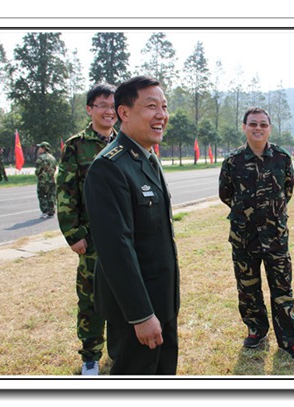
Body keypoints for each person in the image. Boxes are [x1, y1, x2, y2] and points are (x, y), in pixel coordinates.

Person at [84, 76, 179, 375]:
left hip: (162, 301)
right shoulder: (110, 167)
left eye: (163, 106)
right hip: (136, 311)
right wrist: (140, 315)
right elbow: (116, 250)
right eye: (151, 106)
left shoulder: (147, 158)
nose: (161, 114)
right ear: (124, 113)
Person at [219, 107, 294, 361]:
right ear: (244, 127)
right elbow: (226, 194)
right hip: (244, 237)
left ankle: (289, 339)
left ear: (270, 128)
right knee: (248, 288)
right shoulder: (233, 161)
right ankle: (256, 330)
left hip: (275, 237)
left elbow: (287, 191)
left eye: (263, 124)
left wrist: (269, 214)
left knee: (282, 289)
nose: (258, 128)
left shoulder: (281, 157)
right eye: (253, 124)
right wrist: (248, 214)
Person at [56, 83, 118, 375]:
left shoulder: (125, 141)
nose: (108, 111)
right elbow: (65, 192)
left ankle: (119, 349)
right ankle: (90, 356)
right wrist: (73, 234)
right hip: (91, 239)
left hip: (122, 236)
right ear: (90, 109)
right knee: (91, 299)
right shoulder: (76, 145)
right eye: (102, 105)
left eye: (112, 105)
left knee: (123, 293)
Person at [35, 141, 57, 219]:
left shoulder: (40, 158)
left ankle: (45, 211)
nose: (39, 149)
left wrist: (38, 174)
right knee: (51, 195)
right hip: (51, 180)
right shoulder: (52, 158)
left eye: (40, 147)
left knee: (41, 195)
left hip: (43, 181)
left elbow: (38, 170)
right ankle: (51, 212)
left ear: (44, 148)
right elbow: (55, 168)